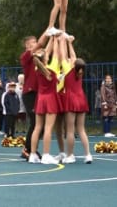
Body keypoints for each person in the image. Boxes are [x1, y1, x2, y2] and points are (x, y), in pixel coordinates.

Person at [60, 35, 92, 164]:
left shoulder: (68, 69)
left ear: (73, 64)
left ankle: (70, 155)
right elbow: (73, 56)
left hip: (71, 99)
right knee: (81, 129)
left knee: (70, 130)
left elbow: (63, 55)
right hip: (81, 98)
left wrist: (62, 40)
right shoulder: (80, 71)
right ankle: (88, 154)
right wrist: (70, 43)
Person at [29, 36, 61, 164]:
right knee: (48, 128)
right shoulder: (51, 71)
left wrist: (52, 38)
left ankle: (32, 154)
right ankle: (46, 155)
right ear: (45, 59)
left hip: (40, 99)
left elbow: (45, 53)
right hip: (50, 99)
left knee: (37, 127)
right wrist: (57, 40)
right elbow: (56, 54)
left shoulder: (37, 69)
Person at [20, 32, 48, 160]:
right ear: (27, 46)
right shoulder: (26, 56)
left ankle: (32, 148)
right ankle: (28, 149)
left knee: (41, 123)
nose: (36, 44)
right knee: (35, 122)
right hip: (30, 93)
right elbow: (41, 44)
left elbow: (45, 50)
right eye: (32, 43)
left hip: (39, 93)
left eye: (35, 42)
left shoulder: (39, 56)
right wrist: (48, 30)